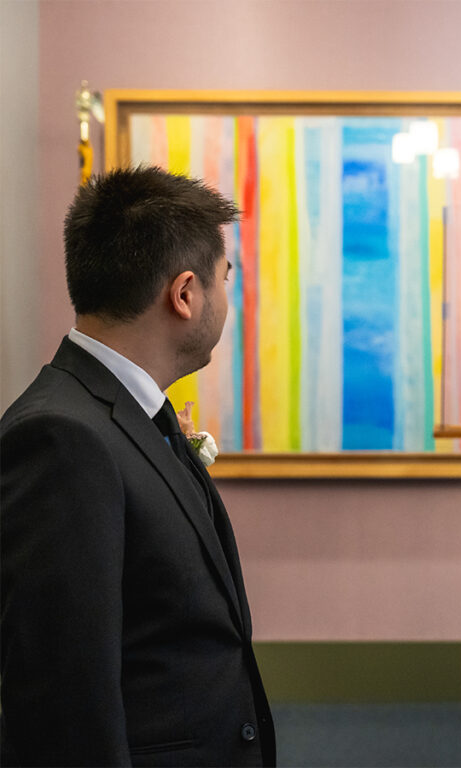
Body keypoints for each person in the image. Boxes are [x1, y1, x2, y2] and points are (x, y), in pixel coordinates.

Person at [1, 166, 276, 766]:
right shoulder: (63, 438)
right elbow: (62, 701)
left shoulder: (126, 414)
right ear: (184, 294)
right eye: (226, 278)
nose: (229, 299)